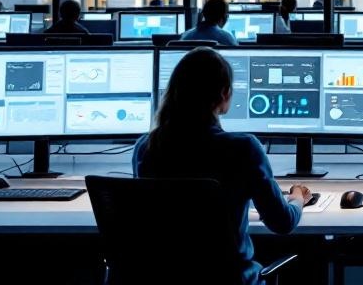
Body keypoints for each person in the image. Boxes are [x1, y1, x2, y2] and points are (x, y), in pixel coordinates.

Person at [133, 47, 311, 285]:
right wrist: (297, 197)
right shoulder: (242, 148)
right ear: (224, 94)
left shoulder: (146, 147)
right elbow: (282, 223)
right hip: (230, 278)